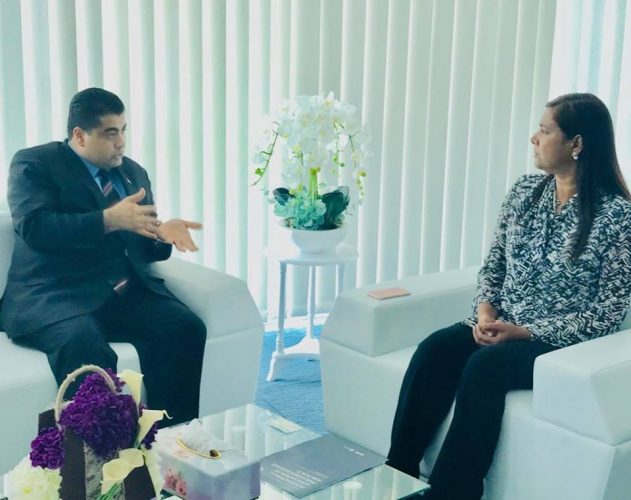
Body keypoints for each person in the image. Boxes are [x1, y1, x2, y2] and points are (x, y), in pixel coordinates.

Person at [386, 93, 631, 500]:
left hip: (556, 343)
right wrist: (484, 312)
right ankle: (397, 476)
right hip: (500, 325)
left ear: (576, 143)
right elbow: (494, 265)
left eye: (545, 131)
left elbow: (608, 313)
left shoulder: (618, 217)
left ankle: (451, 493)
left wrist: (525, 332)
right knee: (435, 349)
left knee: (486, 367)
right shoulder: (524, 192)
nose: (534, 138)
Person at [1, 88, 206, 425]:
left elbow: (141, 245)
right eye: (110, 133)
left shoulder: (133, 174)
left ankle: (172, 438)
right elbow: (35, 227)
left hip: (119, 294)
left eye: (123, 130)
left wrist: (160, 233)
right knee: (84, 346)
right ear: (79, 135)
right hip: (56, 296)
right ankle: (101, 453)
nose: (121, 143)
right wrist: (108, 220)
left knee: (185, 328)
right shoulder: (35, 164)